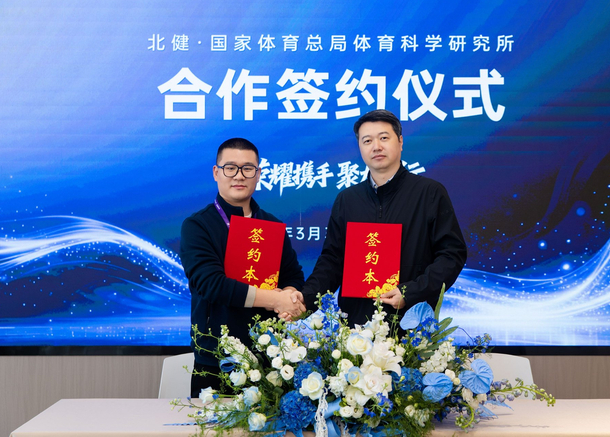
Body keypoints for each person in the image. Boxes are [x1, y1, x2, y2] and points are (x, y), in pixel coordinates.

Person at [297, 110, 467, 326]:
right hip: (355, 330)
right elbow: (332, 261)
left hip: (410, 327)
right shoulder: (347, 199)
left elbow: (451, 255)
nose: (376, 146)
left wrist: (410, 292)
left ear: (400, 141)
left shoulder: (429, 193)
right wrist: (305, 299)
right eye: (367, 141)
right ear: (360, 147)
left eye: (384, 138)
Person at [180, 138, 305, 398]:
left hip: (270, 358)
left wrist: (290, 296)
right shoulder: (198, 226)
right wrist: (276, 300)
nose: (239, 175)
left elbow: (294, 275)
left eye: (248, 168)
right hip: (217, 360)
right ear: (216, 172)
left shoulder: (272, 225)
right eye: (230, 168)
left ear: (258, 174)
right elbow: (211, 284)